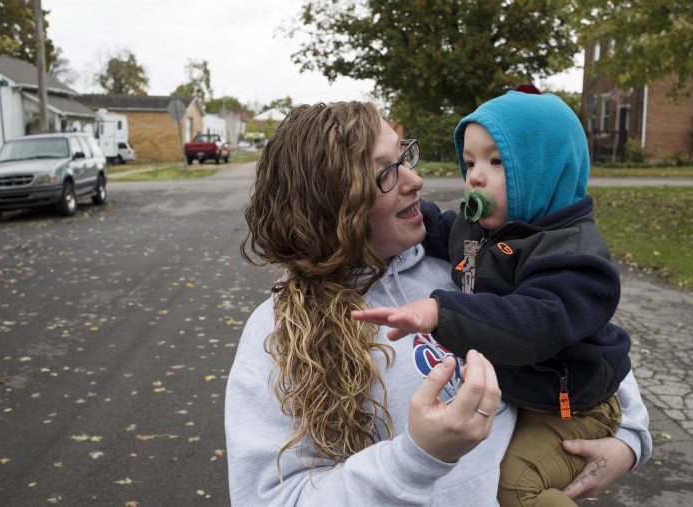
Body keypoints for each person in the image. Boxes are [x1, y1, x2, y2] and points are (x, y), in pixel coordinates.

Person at [225, 101, 652, 506]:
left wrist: (628, 442)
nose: (415, 180)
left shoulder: (461, 263)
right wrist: (418, 456)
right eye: (385, 173)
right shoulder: (281, 333)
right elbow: (274, 497)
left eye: (404, 157)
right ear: (332, 202)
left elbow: (577, 335)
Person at [352, 91, 635, 506]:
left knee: (516, 484)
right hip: (531, 394)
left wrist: (440, 310)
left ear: (545, 170)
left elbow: (533, 323)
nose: (476, 177)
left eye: (497, 162)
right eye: (469, 163)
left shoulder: (574, 257)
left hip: (575, 407)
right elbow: (435, 225)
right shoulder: (480, 230)